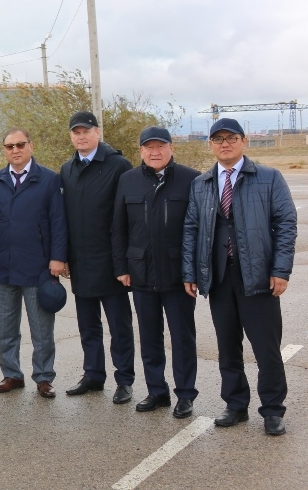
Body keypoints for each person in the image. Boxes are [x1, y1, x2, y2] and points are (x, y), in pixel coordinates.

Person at [182, 118, 297, 436]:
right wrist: (190, 272)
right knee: (228, 346)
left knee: (266, 349)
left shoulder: (269, 177)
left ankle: (272, 410)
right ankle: (235, 404)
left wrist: (280, 270)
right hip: (220, 278)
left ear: (244, 141)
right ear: (211, 145)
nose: (225, 144)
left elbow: (286, 223)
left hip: (258, 277)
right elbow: (191, 229)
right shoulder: (202, 183)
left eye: (231, 138)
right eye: (218, 139)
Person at [111, 127, 199, 419]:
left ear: (171, 148)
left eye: (160, 146)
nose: (155, 152)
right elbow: (118, 228)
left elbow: (199, 230)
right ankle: (157, 391)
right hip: (141, 272)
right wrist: (121, 267)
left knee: (182, 338)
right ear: (141, 151)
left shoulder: (191, 179)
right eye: (149, 147)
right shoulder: (128, 180)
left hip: (178, 275)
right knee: (149, 337)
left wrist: (194, 271)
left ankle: (185, 394)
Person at [0, 129, 67, 398]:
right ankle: (12, 374)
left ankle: (44, 377)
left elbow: (58, 221)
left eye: (20, 145)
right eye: (9, 146)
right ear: (4, 150)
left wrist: (57, 257)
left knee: (41, 329)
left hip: (38, 267)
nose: (15, 150)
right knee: (6, 328)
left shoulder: (49, 179)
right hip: (4, 266)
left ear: (31, 145)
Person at [59, 111, 136, 405]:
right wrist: (64, 256)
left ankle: (124, 380)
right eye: (76, 132)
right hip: (80, 261)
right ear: (71, 136)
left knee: (119, 326)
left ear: (97, 132)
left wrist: (124, 262)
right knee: (88, 325)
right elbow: (64, 217)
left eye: (86, 131)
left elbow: (126, 217)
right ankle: (93, 374)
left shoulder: (118, 165)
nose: (81, 137)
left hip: (111, 261)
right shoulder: (67, 169)